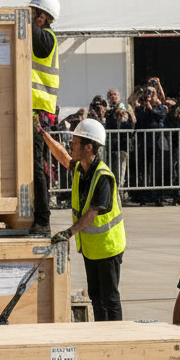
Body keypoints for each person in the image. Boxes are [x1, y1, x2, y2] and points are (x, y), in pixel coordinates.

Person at [41, 118, 126, 321]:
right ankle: (101, 333)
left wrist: (68, 232)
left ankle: (117, 335)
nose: (71, 145)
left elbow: (92, 213)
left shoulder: (103, 176)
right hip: (91, 248)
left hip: (108, 247)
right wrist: (43, 134)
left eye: (75, 143)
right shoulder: (82, 169)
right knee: (96, 297)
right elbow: (64, 158)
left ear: (88, 147)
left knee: (110, 298)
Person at [29, 0, 61, 238]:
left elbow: (29, 31)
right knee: (30, 165)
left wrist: (17, 17)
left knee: (36, 166)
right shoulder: (36, 38)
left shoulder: (46, 38)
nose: (29, 17)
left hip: (38, 111)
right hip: (31, 109)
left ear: (43, 17)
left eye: (32, 13)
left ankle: (42, 219)